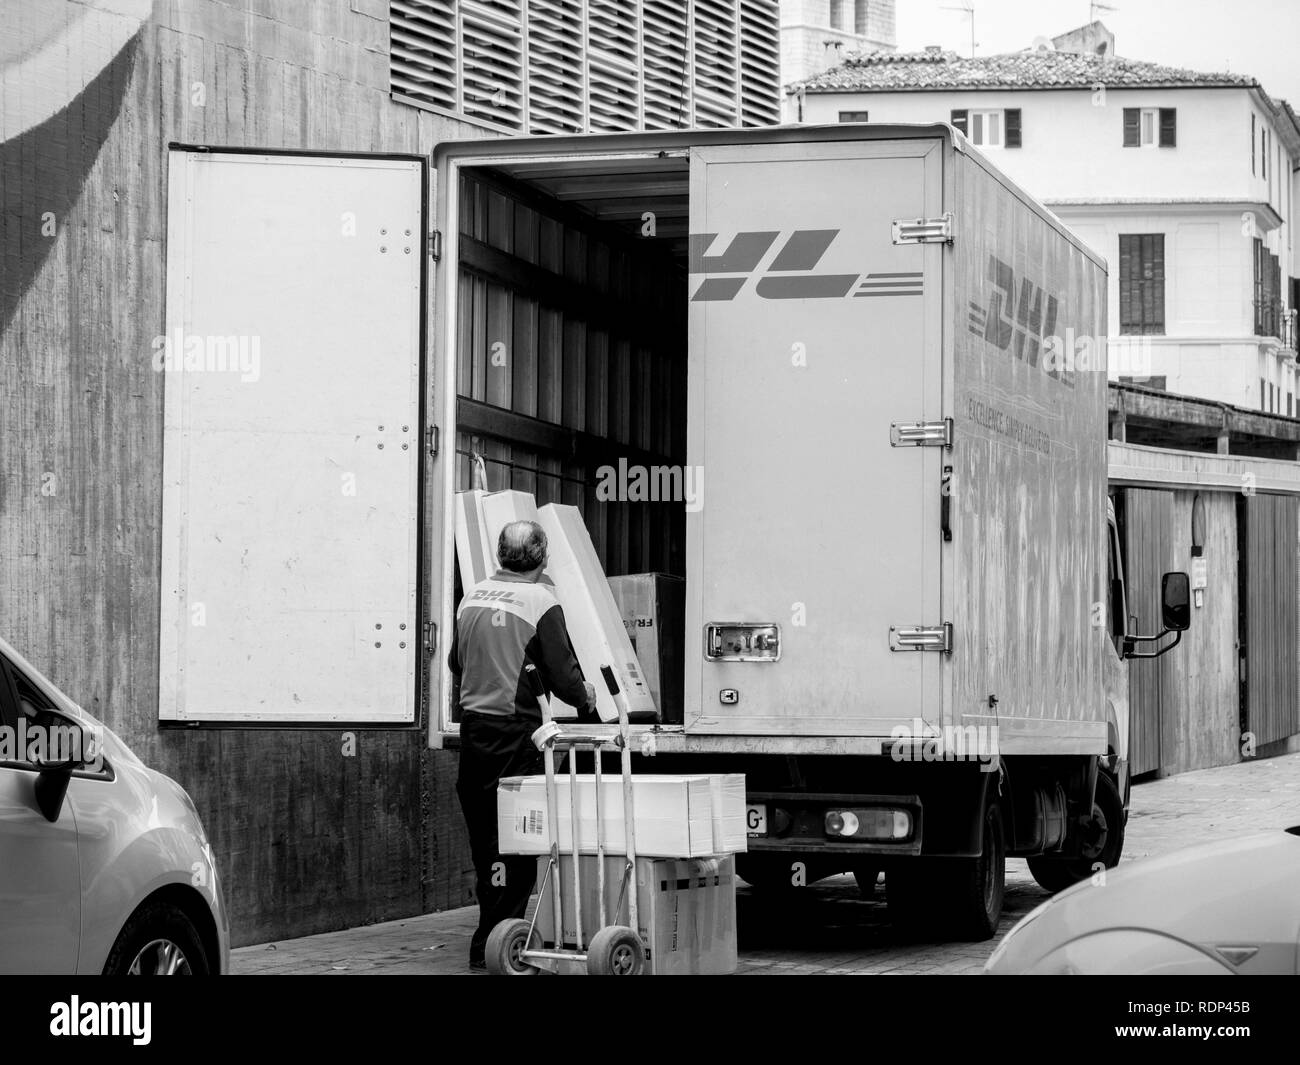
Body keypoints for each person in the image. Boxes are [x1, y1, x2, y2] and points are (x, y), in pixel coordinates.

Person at [449, 519, 597, 971]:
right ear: (543, 556)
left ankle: (487, 940)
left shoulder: (472, 595)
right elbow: (564, 676)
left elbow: (457, 661)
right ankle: (502, 942)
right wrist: (586, 696)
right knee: (517, 840)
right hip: (516, 736)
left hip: (474, 733)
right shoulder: (540, 601)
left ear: (499, 554)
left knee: (486, 842)